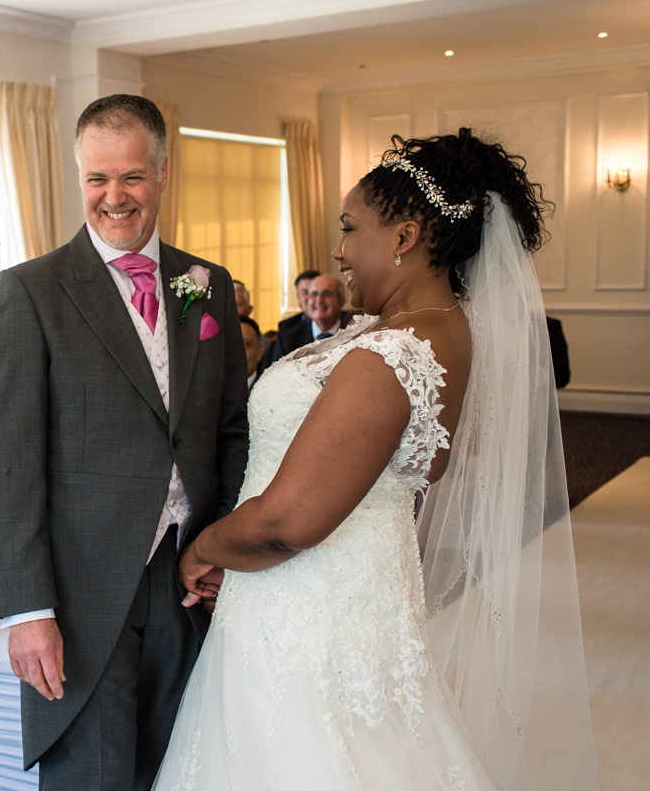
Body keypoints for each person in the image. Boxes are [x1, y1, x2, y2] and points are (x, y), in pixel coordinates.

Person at [154, 129, 598, 791]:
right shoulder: (434, 329)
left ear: (405, 236)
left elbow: (288, 522)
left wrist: (204, 548)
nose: (338, 250)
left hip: (311, 618)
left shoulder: (389, 353)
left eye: (349, 227)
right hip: (348, 596)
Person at [0, 94, 249, 791]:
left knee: (180, 767)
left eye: (131, 176)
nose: (114, 196)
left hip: (188, 580)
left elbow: (229, 429)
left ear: (162, 172)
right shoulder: (29, 291)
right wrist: (28, 610)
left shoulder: (208, 285)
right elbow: (12, 465)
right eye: (97, 178)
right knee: (92, 776)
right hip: (82, 593)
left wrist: (221, 546)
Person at [260, 273, 353, 370]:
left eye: (327, 293)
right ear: (308, 301)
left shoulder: (354, 336)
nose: (319, 300)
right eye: (314, 294)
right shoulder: (287, 340)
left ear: (341, 301)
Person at [239, 315, 265, 392]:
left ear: (259, 352)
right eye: (228, 346)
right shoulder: (211, 392)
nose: (234, 353)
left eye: (244, 345)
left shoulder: (271, 392)